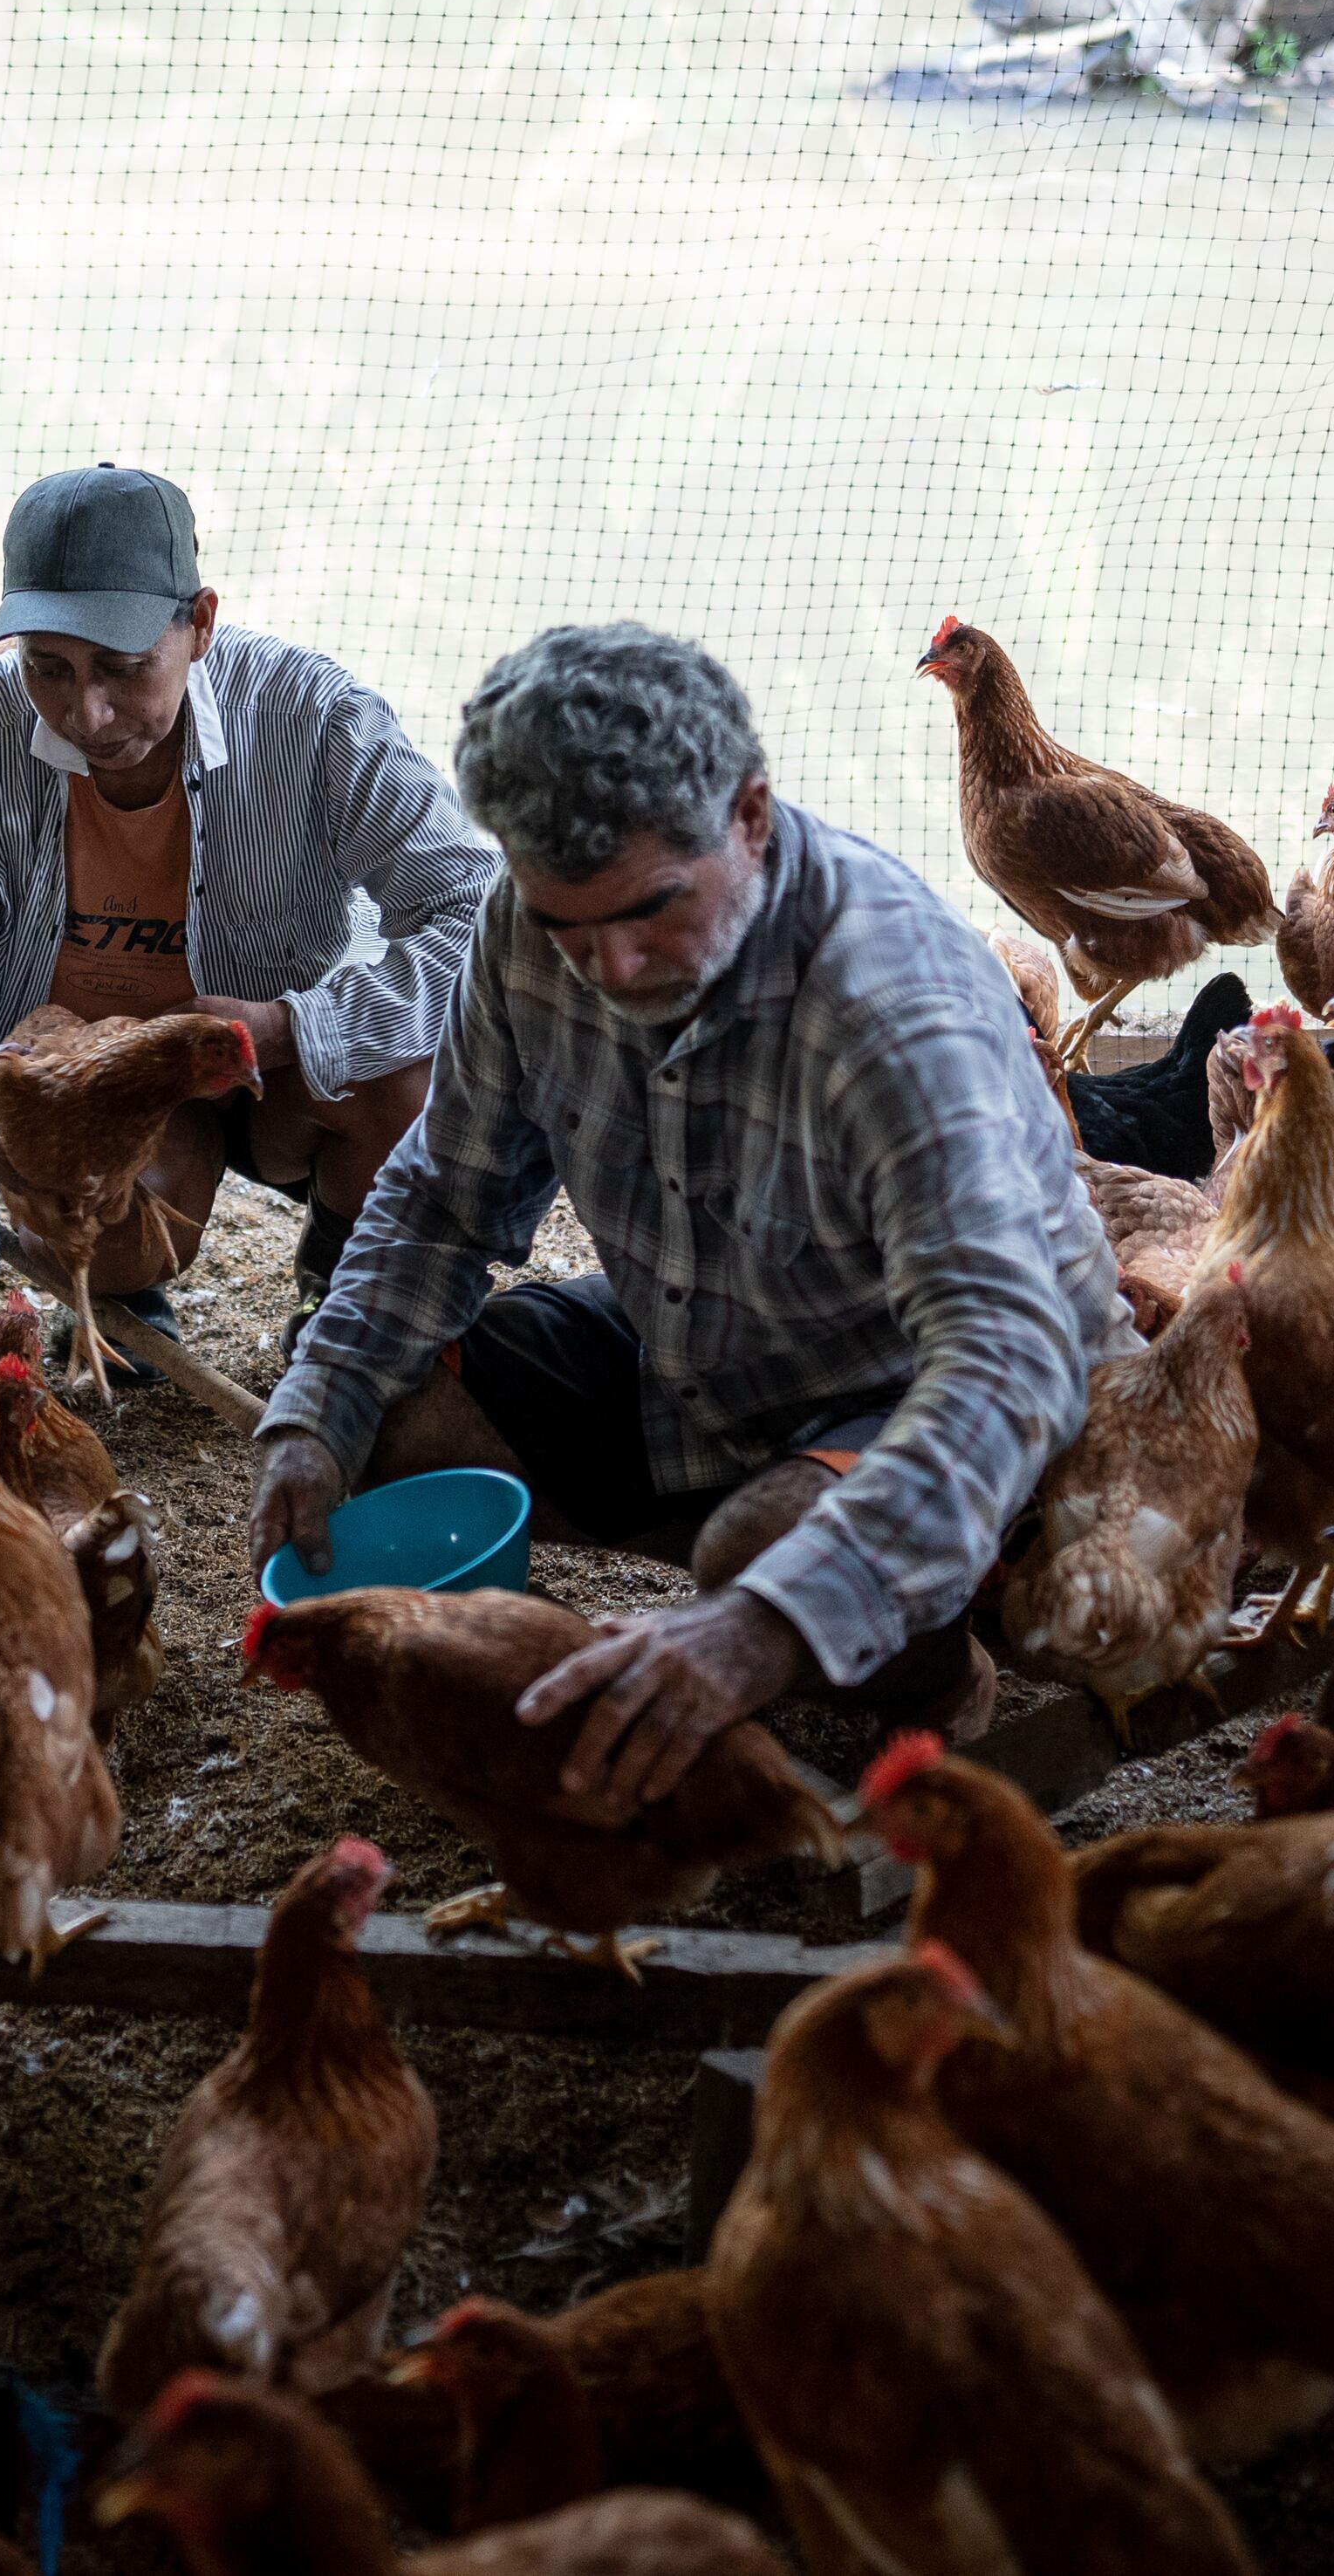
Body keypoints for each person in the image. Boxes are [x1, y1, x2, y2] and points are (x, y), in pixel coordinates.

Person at [255, 623, 1126, 1811]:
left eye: (653, 910)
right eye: (572, 928)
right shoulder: (523, 934)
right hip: (707, 1348)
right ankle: (760, 1587)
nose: (610, 967)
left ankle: (926, 1668)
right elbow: (439, 1200)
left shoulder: (889, 1000)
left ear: (752, 817)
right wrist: (314, 1414)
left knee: (760, 1561)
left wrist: (755, 1621)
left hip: (935, 1398)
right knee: (386, 1403)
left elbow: (1005, 1362)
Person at [0, 465, 499, 1355]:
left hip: (275, 1067)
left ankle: (339, 1292)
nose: (89, 711)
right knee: (110, 1239)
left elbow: (476, 914)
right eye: (48, 669)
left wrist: (286, 1027)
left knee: (406, 1079)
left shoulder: (314, 719)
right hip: (92, 1090)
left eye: (122, 667)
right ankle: (123, 1285)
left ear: (198, 625)